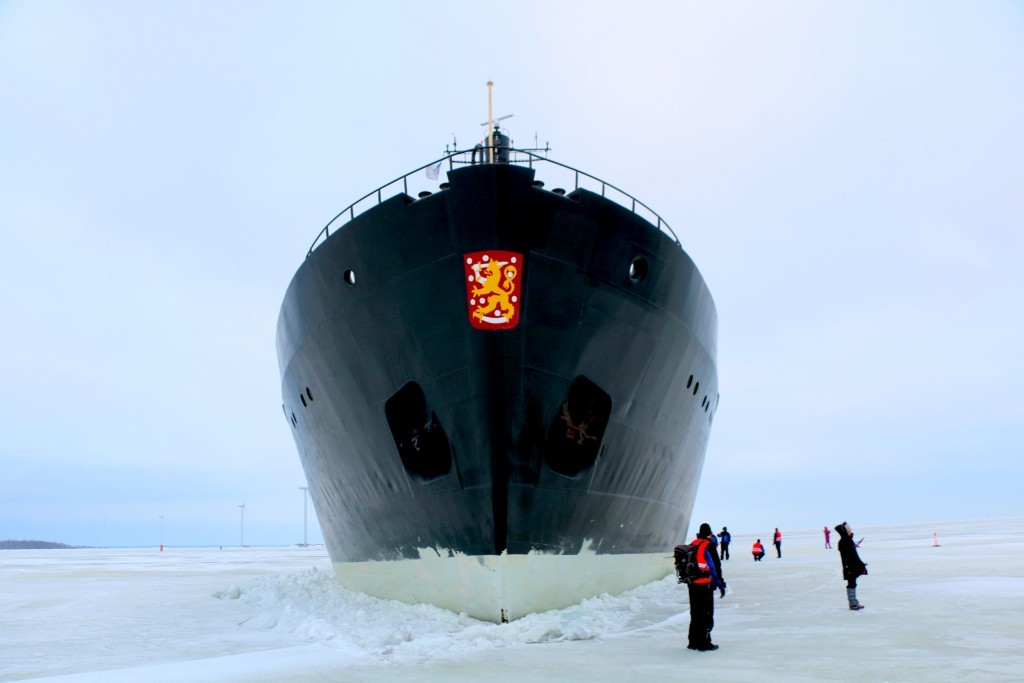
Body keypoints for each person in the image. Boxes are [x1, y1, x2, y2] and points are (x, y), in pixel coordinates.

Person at [687, 522, 727, 651]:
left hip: (692, 585)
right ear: (709, 534)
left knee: (695, 613)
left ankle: (693, 642)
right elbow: (715, 567)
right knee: (706, 614)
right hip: (705, 585)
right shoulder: (708, 546)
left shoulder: (692, 545)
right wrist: (720, 584)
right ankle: (704, 642)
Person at [835, 521, 868, 610]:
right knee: (851, 583)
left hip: (851, 566)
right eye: (848, 529)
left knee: (853, 582)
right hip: (849, 566)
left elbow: (852, 554)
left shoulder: (847, 540)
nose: (850, 531)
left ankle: (854, 602)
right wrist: (858, 564)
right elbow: (849, 555)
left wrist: (854, 546)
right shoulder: (844, 541)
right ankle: (853, 604)